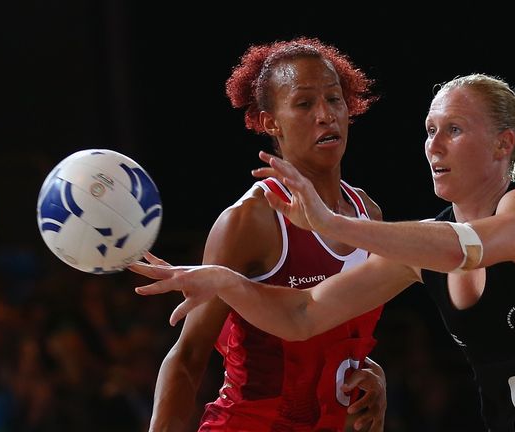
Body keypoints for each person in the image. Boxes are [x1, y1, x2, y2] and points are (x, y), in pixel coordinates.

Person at [130, 73, 515, 431]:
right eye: (429, 131)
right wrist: (226, 282)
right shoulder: (423, 246)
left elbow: (468, 249)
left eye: (455, 130)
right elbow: (304, 314)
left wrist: (334, 224)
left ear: (502, 144)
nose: (434, 145)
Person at [142, 37, 388, 432]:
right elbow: (188, 357)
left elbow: (334, 337)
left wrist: (370, 374)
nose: (326, 115)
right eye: (305, 104)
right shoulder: (250, 220)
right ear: (270, 121)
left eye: (334, 99)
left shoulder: (367, 214)